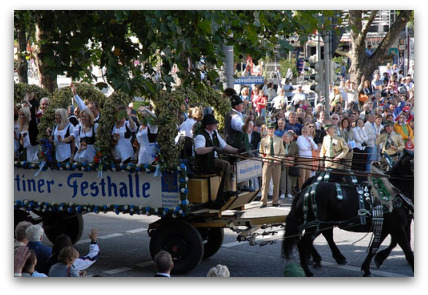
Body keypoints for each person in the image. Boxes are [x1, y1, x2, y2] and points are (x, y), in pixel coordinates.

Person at [194, 114, 244, 194]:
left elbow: (224, 146)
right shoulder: (200, 136)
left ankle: (238, 188)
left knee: (231, 168)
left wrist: (237, 151)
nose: (216, 125)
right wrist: (213, 148)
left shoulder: (214, 132)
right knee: (226, 165)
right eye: (213, 123)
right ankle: (225, 192)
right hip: (205, 162)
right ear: (207, 125)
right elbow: (198, 150)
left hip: (213, 161)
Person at [259, 122, 285, 208]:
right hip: (267, 163)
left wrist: (279, 159)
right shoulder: (263, 140)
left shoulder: (279, 139)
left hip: (277, 163)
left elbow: (282, 152)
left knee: (276, 182)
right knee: (265, 182)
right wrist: (264, 160)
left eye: (272, 129)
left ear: (274, 130)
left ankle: (275, 201)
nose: (270, 130)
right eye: (269, 129)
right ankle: (263, 201)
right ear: (267, 130)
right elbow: (261, 152)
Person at [18, 93, 39, 162]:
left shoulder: (31, 124)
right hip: (26, 151)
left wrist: (27, 102)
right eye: (20, 115)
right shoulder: (20, 126)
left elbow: (32, 112)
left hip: (34, 151)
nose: (22, 117)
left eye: (23, 115)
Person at [280, 131, 299, 199]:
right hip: (283, 163)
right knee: (283, 178)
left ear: (290, 138)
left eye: (286, 137)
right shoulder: (281, 144)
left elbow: (297, 154)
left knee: (289, 178)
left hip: (290, 163)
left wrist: (293, 157)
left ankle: (289, 192)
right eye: (284, 136)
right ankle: (282, 192)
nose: (284, 138)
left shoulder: (294, 145)